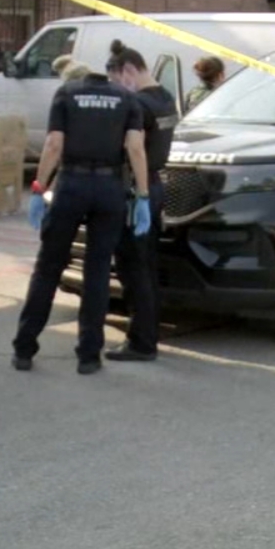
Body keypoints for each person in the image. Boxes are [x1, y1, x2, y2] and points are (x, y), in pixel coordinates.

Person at [13, 61, 151, 375]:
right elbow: (135, 148)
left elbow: (53, 144)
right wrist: (142, 194)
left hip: (72, 184)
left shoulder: (67, 93)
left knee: (48, 267)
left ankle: (24, 348)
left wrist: (39, 188)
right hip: (109, 188)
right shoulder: (127, 98)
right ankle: (89, 356)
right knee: (98, 272)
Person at [103, 40, 177, 363]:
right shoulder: (166, 99)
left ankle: (142, 342)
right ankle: (148, 333)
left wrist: (140, 194)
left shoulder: (137, 106)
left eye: (118, 81)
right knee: (146, 264)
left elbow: (133, 150)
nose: (119, 89)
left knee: (133, 267)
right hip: (155, 185)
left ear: (129, 71)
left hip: (136, 190)